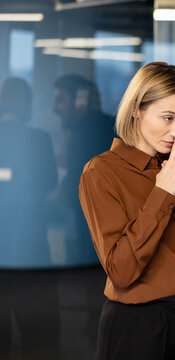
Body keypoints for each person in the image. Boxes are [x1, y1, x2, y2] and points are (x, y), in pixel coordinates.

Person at [79, 62, 175, 360]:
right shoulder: (101, 172)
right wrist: (163, 193)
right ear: (136, 109)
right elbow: (121, 271)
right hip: (137, 324)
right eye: (168, 117)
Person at [0, 77, 60, 358]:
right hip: (31, 246)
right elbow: (49, 183)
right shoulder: (39, 139)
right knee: (38, 337)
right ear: (25, 103)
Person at [53, 74, 115, 262]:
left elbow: (75, 184)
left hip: (87, 233)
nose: (55, 108)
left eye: (60, 100)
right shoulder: (110, 126)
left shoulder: (81, 133)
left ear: (80, 101)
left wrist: (50, 198)